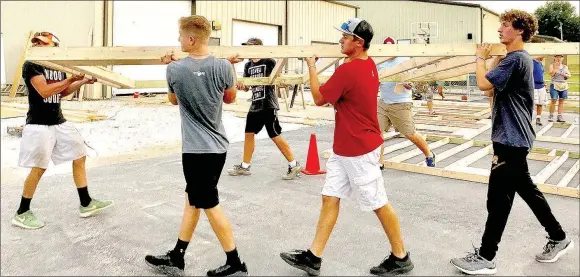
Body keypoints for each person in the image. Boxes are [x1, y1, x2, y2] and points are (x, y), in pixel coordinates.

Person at [279, 18, 414, 276]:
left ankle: (401, 256)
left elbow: (319, 98)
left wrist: (311, 67)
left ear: (358, 43)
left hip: (359, 148)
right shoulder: (365, 64)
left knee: (378, 202)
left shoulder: (348, 71)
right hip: (345, 147)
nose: (340, 40)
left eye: (345, 37)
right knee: (330, 197)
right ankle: (313, 257)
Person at [450, 10, 573, 275]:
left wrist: (480, 58)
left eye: (505, 25)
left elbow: (483, 84)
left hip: (511, 139)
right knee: (521, 192)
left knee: (498, 199)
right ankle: (558, 237)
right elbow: (494, 86)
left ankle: (486, 257)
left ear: (519, 31)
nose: (499, 29)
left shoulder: (516, 59)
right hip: (513, 138)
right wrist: (492, 58)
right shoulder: (517, 60)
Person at [144, 15, 248, 276]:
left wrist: (172, 66)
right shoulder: (223, 66)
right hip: (217, 147)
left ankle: (235, 262)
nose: (178, 41)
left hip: (196, 150)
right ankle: (177, 256)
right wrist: (226, 69)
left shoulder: (174, 70)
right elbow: (231, 98)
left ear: (191, 39)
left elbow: (172, 100)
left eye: (180, 36)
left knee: (208, 203)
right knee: (193, 200)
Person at [12, 31, 113, 230]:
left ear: (54, 47)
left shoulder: (58, 66)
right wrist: (70, 79)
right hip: (39, 125)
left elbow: (62, 92)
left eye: (43, 44)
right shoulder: (32, 64)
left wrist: (81, 81)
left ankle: (85, 203)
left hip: (58, 122)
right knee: (39, 168)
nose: (39, 46)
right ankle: (22, 212)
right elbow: (45, 91)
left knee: (79, 154)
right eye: (37, 43)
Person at [226, 37, 303, 180]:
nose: (246, 50)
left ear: (257, 48)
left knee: (274, 135)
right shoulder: (248, 65)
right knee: (249, 133)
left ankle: (293, 164)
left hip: (268, 103)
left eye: (249, 47)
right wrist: (243, 86)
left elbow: (277, 79)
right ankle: (245, 166)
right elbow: (248, 86)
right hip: (255, 103)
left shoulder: (268, 61)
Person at [376, 38, 436, 169]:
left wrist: (409, 84)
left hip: (401, 104)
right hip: (383, 103)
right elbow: (376, 80)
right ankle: (379, 162)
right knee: (376, 133)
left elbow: (412, 79)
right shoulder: (380, 62)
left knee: (410, 133)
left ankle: (429, 154)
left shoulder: (404, 60)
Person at [548, 54, 571, 123]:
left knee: (561, 101)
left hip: (563, 85)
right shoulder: (552, 65)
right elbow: (551, 74)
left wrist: (564, 75)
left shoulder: (565, 67)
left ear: (562, 59)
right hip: (555, 84)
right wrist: (556, 68)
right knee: (554, 100)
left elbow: (569, 75)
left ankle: (559, 116)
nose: (558, 59)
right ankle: (551, 115)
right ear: (554, 58)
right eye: (557, 57)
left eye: (560, 57)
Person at [533, 56, 548, 126]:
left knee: (540, 103)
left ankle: (538, 118)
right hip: (534, 86)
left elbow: (542, 74)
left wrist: (544, 83)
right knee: (532, 103)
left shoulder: (541, 64)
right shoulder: (532, 62)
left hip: (541, 86)